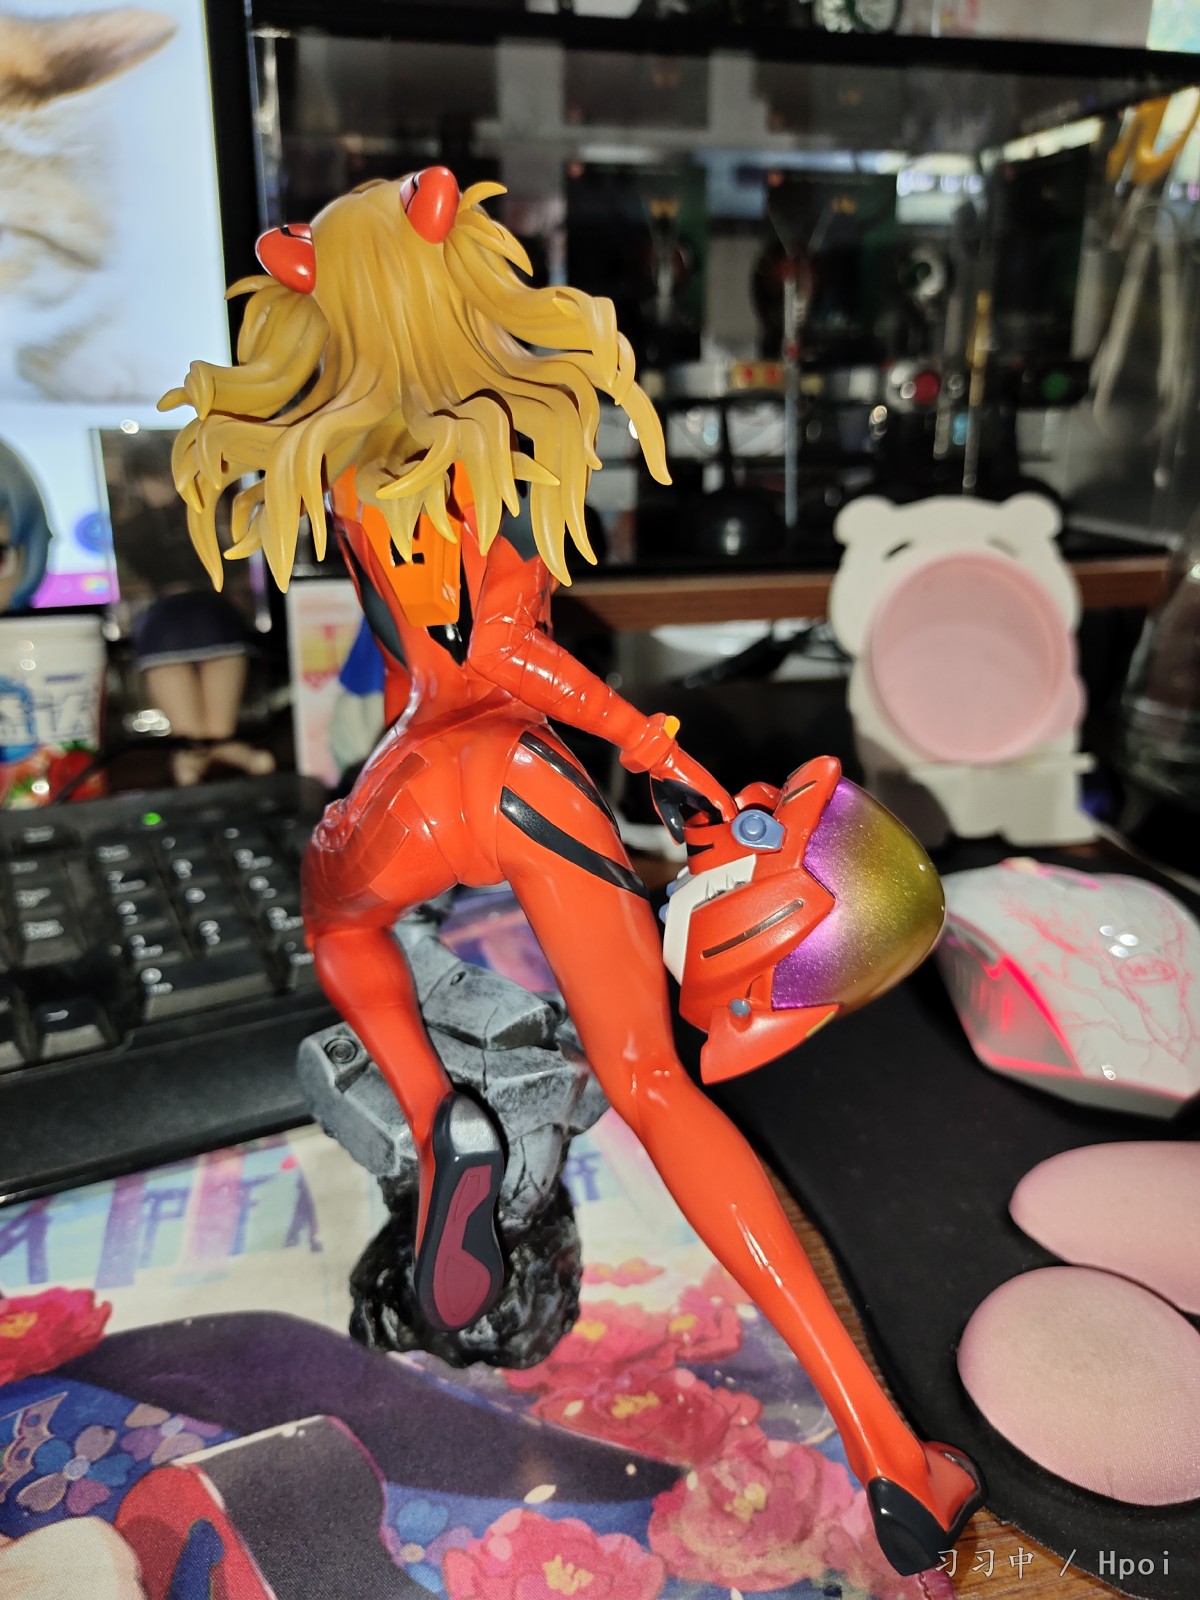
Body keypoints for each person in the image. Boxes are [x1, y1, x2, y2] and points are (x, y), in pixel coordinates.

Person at [161, 167, 980, 1575]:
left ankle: (440, 1124)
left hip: (424, 785)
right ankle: (891, 1460)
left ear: (313, 295)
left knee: (338, 926)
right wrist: (641, 735)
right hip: (532, 781)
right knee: (654, 1084)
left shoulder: (351, 467)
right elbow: (507, 651)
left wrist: (467, 773)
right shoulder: (493, 441)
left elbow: (441, 666)